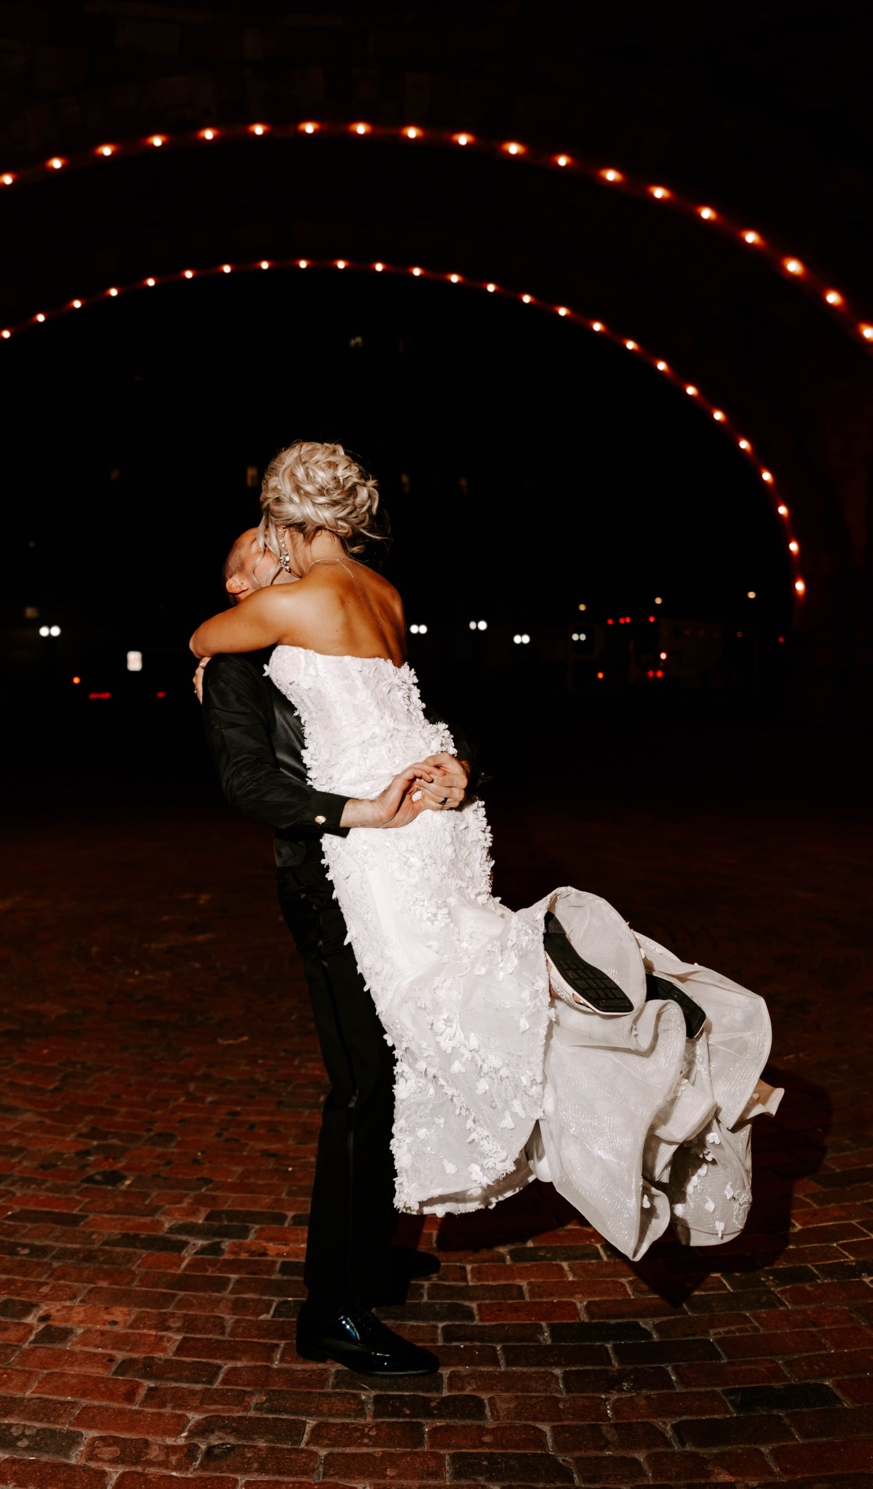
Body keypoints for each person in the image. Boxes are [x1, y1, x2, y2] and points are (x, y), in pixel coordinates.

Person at [187, 441, 781, 1378]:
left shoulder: (282, 608)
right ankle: (342, 1289)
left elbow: (222, 644)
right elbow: (284, 760)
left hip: (382, 855)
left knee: (385, 1068)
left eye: (253, 555)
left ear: (281, 527)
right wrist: (442, 779)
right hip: (394, 851)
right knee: (386, 1066)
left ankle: (347, 1284)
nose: (244, 578)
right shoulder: (377, 598)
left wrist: (429, 778)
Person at [196, 526, 472, 1375]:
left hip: (384, 880)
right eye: (256, 549)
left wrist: (459, 772)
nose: (278, 547)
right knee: (360, 1083)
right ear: (243, 584)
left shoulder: (317, 635)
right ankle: (333, 1309)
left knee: (393, 1065)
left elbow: (396, 731)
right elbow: (250, 784)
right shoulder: (237, 663)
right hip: (324, 883)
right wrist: (360, 812)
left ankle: (368, 1255)